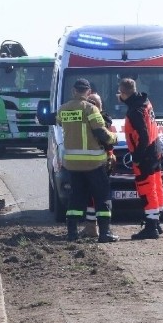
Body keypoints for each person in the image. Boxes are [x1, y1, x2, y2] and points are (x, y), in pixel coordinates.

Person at [58, 78, 119, 243]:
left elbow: (56, 121)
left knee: (76, 198)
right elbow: (102, 133)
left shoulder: (63, 109)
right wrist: (114, 138)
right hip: (93, 163)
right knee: (102, 197)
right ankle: (105, 233)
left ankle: (72, 233)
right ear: (88, 92)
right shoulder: (91, 108)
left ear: (73, 91)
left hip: (72, 164)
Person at [118, 78, 163, 240]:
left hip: (145, 155)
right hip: (155, 150)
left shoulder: (134, 111)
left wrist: (136, 157)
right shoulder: (144, 101)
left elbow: (143, 136)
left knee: (146, 188)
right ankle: (156, 220)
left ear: (123, 92)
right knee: (156, 186)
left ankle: (151, 226)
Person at [79, 92, 116, 239]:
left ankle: (104, 230)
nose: (93, 104)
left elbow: (108, 140)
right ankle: (90, 227)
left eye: (96, 102)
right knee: (89, 197)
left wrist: (110, 154)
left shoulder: (104, 120)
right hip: (86, 164)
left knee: (101, 197)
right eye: (90, 102)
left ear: (101, 106)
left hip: (101, 163)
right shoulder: (84, 119)